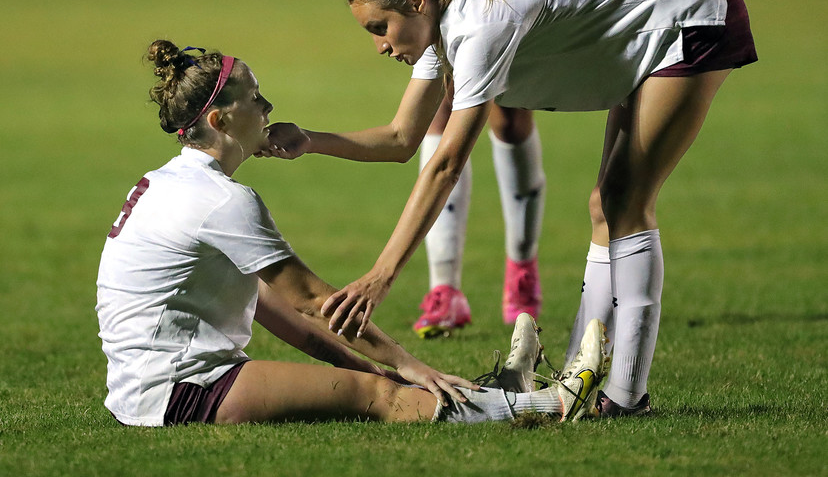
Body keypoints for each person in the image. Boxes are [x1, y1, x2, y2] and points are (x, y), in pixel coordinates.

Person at [262, 0, 757, 417]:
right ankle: (577, 381)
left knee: (627, 203)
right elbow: (401, 140)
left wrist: (381, 275)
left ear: (416, 2)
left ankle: (627, 398)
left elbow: (447, 164)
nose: (379, 47)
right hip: (655, 21)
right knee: (607, 204)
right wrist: (310, 140)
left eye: (378, 28)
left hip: (691, 15)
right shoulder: (441, 22)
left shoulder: (479, 21)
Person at [95, 40, 609, 427]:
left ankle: (506, 394)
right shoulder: (222, 200)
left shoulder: (171, 182)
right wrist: (406, 366)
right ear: (220, 118)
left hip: (144, 385)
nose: (268, 106)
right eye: (255, 98)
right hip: (181, 390)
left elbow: (270, 304)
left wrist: (364, 365)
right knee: (382, 401)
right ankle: (557, 403)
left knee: (372, 383)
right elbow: (314, 302)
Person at [357, 0, 579, 336]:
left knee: (511, 113)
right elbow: (402, 136)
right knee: (439, 105)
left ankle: (521, 264)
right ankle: (444, 289)